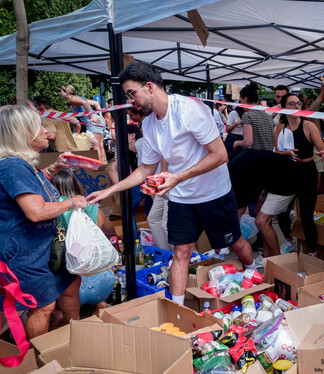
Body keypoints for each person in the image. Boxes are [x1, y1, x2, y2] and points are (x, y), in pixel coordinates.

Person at [87, 62, 254, 307]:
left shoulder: (189, 110)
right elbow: (146, 169)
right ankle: (177, 309)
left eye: (132, 94)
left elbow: (220, 155)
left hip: (214, 193)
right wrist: (109, 189)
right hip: (182, 198)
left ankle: (254, 272)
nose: (131, 101)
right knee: (181, 252)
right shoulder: (150, 124)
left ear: (151, 87)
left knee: (235, 242)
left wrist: (176, 177)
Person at [0, 105, 86, 338]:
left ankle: (74, 339)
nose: (46, 132)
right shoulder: (13, 166)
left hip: (42, 247)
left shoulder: (21, 164)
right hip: (25, 251)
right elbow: (36, 211)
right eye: (39, 127)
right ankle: (42, 361)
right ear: (23, 133)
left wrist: (53, 169)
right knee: (44, 306)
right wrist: (72, 203)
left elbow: (32, 190)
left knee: (70, 285)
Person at [255, 93, 324, 258]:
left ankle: (312, 252)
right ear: (284, 107)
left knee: (307, 216)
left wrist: (323, 153)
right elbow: (276, 152)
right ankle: (289, 240)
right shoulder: (279, 128)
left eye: (298, 103)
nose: (296, 106)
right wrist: (285, 153)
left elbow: (322, 148)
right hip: (287, 173)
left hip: (307, 171)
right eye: (292, 103)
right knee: (282, 212)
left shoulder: (308, 126)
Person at [51, 169, 115, 316]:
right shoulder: (93, 210)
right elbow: (111, 230)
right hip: (101, 285)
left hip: (63, 292)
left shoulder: (50, 215)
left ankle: (60, 316)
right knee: (105, 260)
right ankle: (100, 305)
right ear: (76, 186)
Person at [60, 85, 106, 163]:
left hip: (92, 122)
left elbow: (84, 103)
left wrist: (91, 116)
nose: (60, 93)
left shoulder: (73, 99)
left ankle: (100, 166)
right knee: (100, 146)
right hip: (97, 120)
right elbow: (95, 103)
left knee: (96, 147)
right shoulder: (78, 97)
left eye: (61, 91)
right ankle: (102, 165)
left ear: (66, 92)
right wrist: (100, 116)